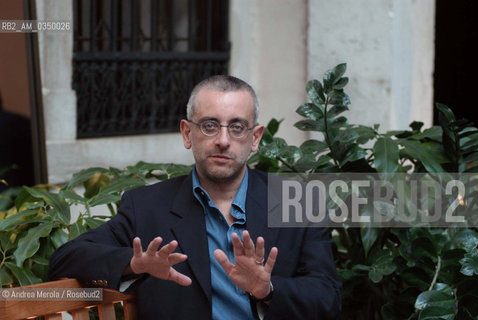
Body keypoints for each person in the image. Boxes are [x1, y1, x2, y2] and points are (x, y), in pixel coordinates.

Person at [48, 75, 341, 319]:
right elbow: (65, 259)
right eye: (209, 125)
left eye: (237, 127)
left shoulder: (297, 201)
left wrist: (268, 290)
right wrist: (136, 264)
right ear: (187, 133)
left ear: (255, 138)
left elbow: (328, 299)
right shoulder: (148, 207)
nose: (223, 140)